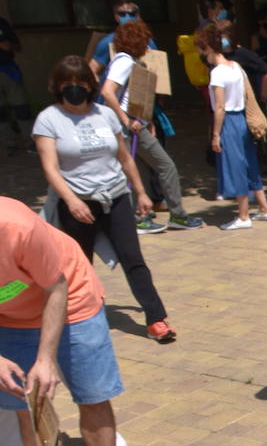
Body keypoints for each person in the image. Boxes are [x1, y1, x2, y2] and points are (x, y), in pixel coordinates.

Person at [0, 197, 144, 446]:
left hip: (71, 298)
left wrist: (46, 359)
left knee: (92, 394)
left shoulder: (17, 225)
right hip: (10, 316)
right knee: (27, 408)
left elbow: (57, 287)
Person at [34, 55, 175, 343]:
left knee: (133, 258)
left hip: (116, 196)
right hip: (76, 203)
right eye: (68, 84)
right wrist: (72, 201)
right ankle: (77, 320)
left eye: (81, 83)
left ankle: (156, 319)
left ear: (90, 84)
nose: (75, 89)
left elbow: (124, 157)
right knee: (77, 266)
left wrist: (140, 191)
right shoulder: (48, 119)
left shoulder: (104, 114)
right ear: (58, 86)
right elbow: (50, 169)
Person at [96, 22, 204, 233]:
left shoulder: (124, 61)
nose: (148, 46)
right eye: (145, 41)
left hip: (133, 124)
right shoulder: (124, 62)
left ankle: (141, 213)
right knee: (164, 165)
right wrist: (125, 120)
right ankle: (175, 215)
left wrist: (148, 121)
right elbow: (108, 92)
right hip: (127, 126)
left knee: (138, 169)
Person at [195, 25, 267, 231]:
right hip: (242, 120)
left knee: (234, 166)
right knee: (249, 162)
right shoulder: (235, 66)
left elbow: (219, 107)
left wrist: (215, 134)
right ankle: (264, 208)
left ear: (208, 48)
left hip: (229, 121)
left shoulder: (217, 73)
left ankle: (243, 215)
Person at [89, 0, 157, 78]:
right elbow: (92, 70)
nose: (127, 17)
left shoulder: (148, 41)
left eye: (132, 13)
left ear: (138, 16)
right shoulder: (108, 42)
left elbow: (157, 68)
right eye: (122, 14)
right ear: (116, 17)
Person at [0, 15, 32, 156]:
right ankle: (9, 143)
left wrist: (9, 46)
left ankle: (29, 142)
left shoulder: (2, 23)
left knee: (21, 108)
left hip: (8, 71)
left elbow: (18, 47)